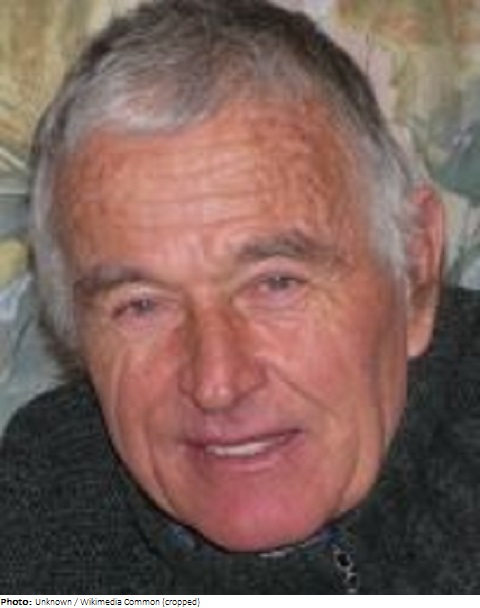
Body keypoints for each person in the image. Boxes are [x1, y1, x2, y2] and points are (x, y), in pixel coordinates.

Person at [0, 0, 478, 594]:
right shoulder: (40, 509)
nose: (217, 384)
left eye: (276, 283)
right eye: (141, 305)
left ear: (415, 271)